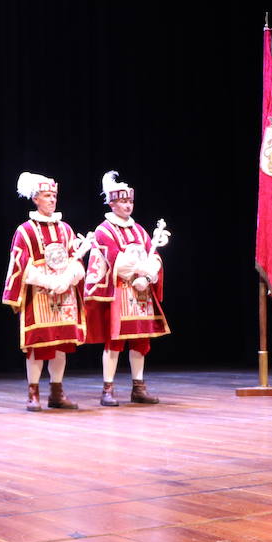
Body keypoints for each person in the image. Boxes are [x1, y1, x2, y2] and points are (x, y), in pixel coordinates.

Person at [83, 171, 170, 406]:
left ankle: (138, 387)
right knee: (115, 342)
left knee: (141, 341)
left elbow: (155, 256)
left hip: (141, 294)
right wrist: (140, 272)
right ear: (112, 203)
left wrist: (150, 275)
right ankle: (107, 389)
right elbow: (114, 260)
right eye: (122, 201)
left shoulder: (140, 230)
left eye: (130, 201)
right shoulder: (104, 230)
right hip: (120, 291)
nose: (127, 205)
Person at [1, 172, 86, 411]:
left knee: (61, 343)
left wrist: (67, 278)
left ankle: (56, 392)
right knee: (39, 345)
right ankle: (33, 393)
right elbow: (20, 265)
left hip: (64, 292)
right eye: (47, 196)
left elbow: (76, 261)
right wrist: (49, 282)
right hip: (39, 294)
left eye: (54, 196)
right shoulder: (25, 230)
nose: (52, 200)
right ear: (36, 198)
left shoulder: (66, 229)